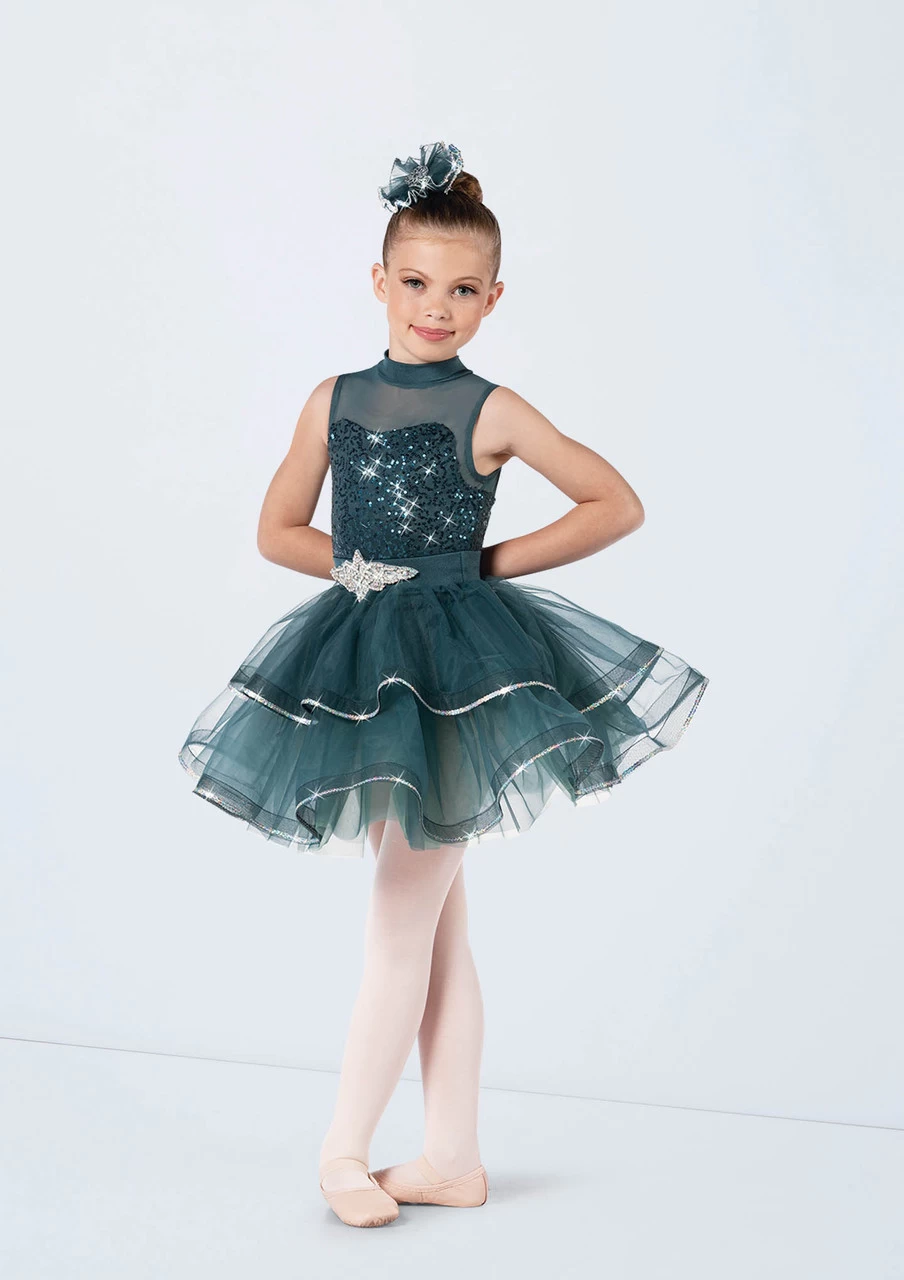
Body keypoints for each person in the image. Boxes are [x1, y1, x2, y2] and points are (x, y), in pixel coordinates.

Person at [177, 140, 710, 1227]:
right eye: (417, 282)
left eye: (464, 290)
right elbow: (278, 529)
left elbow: (614, 502)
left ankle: (343, 1149)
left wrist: (487, 565)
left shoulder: (492, 408)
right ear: (379, 280)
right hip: (364, 661)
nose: (437, 307)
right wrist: (357, 570)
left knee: (397, 917)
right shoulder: (332, 399)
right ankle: (452, 1157)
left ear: (493, 298)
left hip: (463, 674)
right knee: (436, 924)